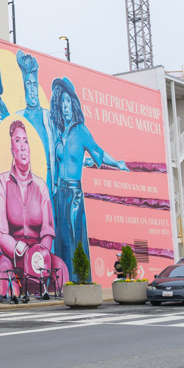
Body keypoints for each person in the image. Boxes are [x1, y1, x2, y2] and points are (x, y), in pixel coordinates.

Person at [51, 77, 129, 277]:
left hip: (75, 193)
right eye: (62, 103)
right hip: (59, 193)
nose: (65, 106)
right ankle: (64, 281)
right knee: (62, 239)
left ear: (74, 104)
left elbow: (97, 151)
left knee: (75, 239)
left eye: (68, 102)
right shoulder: (58, 132)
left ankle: (80, 279)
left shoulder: (81, 130)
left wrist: (117, 163)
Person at [0, 121, 68, 298]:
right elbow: (0, 234)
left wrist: (39, 254)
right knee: (2, 269)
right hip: (14, 257)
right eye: (17, 141)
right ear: (12, 149)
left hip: (40, 255)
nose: (23, 147)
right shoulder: (2, 183)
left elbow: (48, 231)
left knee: (60, 267)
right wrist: (23, 253)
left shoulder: (41, 186)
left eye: (25, 141)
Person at [14, 51, 56, 197]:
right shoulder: (18, 117)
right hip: (26, 182)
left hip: (47, 181)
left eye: (34, 84)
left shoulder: (47, 116)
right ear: (24, 87)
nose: (32, 89)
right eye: (28, 84)